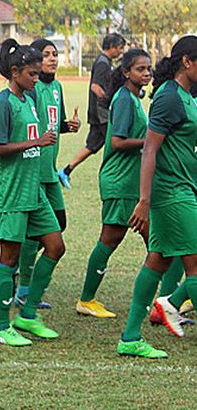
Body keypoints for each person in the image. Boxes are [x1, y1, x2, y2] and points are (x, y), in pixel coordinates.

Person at [117, 35, 197, 359]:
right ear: (187, 62)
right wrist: (144, 200)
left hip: (183, 187)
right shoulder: (168, 97)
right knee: (194, 264)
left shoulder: (187, 96)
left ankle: (130, 337)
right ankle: (164, 308)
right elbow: (150, 149)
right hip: (171, 193)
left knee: (158, 260)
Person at [0, 39, 66, 347]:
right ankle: (1, 326)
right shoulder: (3, 102)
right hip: (12, 193)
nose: (36, 80)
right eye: (32, 75)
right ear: (16, 71)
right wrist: (35, 144)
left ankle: (28, 314)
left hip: (34, 191)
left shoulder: (30, 100)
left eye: (38, 74)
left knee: (55, 245)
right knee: (8, 259)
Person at [76, 49, 152, 318]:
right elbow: (118, 141)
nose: (146, 73)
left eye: (148, 69)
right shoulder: (123, 99)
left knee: (156, 242)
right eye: (140, 69)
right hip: (120, 182)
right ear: (126, 72)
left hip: (131, 182)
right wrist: (151, 143)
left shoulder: (132, 98)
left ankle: (167, 300)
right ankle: (86, 299)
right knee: (112, 239)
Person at [14, 39, 80, 308]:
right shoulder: (31, 87)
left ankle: (18, 268)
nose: (52, 59)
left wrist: (68, 125)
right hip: (34, 169)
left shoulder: (58, 87)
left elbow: (52, 124)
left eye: (55, 54)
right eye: (46, 55)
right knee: (38, 232)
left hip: (50, 170)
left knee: (58, 224)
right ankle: (24, 287)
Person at [58, 33, 126, 188]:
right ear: (112, 47)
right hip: (101, 113)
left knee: (93, 145)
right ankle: (115, 175)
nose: (121, 51)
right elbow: (95, 87)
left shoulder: (105, 61)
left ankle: (66, 171)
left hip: (98, 113)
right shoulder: (103, 63)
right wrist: (108, 98)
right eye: (120, 48)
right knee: (116, 142)